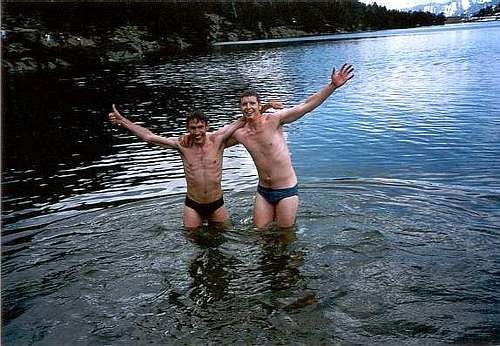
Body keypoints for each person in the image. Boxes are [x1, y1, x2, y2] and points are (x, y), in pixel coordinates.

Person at [108, 102, 282, 230]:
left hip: (217, 203)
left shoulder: (217, 140)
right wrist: (123, 121)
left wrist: (264, 107)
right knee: (192, 241)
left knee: (224, 237)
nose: (197, 132)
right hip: (193, 205)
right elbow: (149, 137)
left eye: (200, 127)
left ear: (206, 126)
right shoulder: (182, 144)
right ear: (187, 128)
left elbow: (241, 121)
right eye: (193, 128)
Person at [229, 63, 354, 229]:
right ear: (240, 108)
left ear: (259, 106)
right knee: (259, 233)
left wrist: (332, 86)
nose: (248, 107)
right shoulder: (240, 134)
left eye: (252, 103)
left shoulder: (274, 120)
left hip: (286, 189)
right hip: (263, 191)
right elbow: (215, 142)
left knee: (285, 234)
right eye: (244, 104)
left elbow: (306, 106)